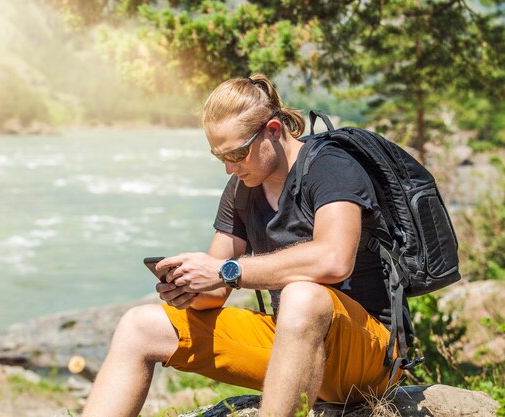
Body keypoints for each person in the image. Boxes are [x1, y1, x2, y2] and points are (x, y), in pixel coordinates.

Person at [82, 73, 401, 417]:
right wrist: (189, 287)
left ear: (273, 131)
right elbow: (216, 291)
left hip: (368, 356)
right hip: (291, 349)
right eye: (220, 156)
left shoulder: (330, 166)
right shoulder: (241, 188)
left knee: (302, 295)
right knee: (138, 325)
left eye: (237, 153)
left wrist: (226, 271)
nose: (229, 168)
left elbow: (334, 259)